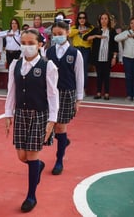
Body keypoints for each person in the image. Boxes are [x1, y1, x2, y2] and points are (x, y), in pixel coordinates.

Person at [4, 28, 59, 213]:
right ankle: (38, 166)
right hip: (20, 113)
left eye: (31, 43)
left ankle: (31, 195)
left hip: (39, 114)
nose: (27, 47)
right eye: (24, 43)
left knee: (32, 154)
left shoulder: (48, 66)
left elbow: (53, 95)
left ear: (40, 45)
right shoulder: (15, 65)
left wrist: (52, 120)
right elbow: (11, 91)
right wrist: (8, 114)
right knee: (22, 156)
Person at [46, 21, 84, 175]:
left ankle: (59, 160)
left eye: (60, 34)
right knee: (51, 126)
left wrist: (78, 99)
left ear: (68, 33)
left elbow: (79, 76)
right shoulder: (48, 52)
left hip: (67, 93)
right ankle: (63, 140)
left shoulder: (75, 53)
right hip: (51, 92)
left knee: (61, 126)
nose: (57, 37)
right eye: (54, 34)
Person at [84, 12, 118, 100]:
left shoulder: (112, 31)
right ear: (99, 20)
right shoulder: (96, 30)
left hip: (108, 57)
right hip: (98, 57)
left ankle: (107, 93)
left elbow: (115, 45)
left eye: (105, 18)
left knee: (107, 76)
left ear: (108, 20)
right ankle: (98, 92)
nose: (103, 20)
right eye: (102, 18)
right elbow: (85, 38)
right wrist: (96, 36)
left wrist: (114, 57)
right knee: (99, 76)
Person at [115, 17, 134, 104]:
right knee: (128, 78)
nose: (133, 25)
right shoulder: (126, 32)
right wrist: (127, 36)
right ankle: (129, 95)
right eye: (131, 23)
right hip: (127, 58)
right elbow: (116, 38)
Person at [69, 12, 94, 91]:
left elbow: (93, 39)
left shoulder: (90, 28)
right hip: (76, 49)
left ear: (86, 19)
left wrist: (88, 34)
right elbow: (69, 34)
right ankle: (75, 88)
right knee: (75, 69)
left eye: (83, 18)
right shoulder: (74, 28)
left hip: (86, 49)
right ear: (78, 19)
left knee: (83, 69)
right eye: (80, 18)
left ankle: (83, 88)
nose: (82, 19)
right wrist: (79, 31)